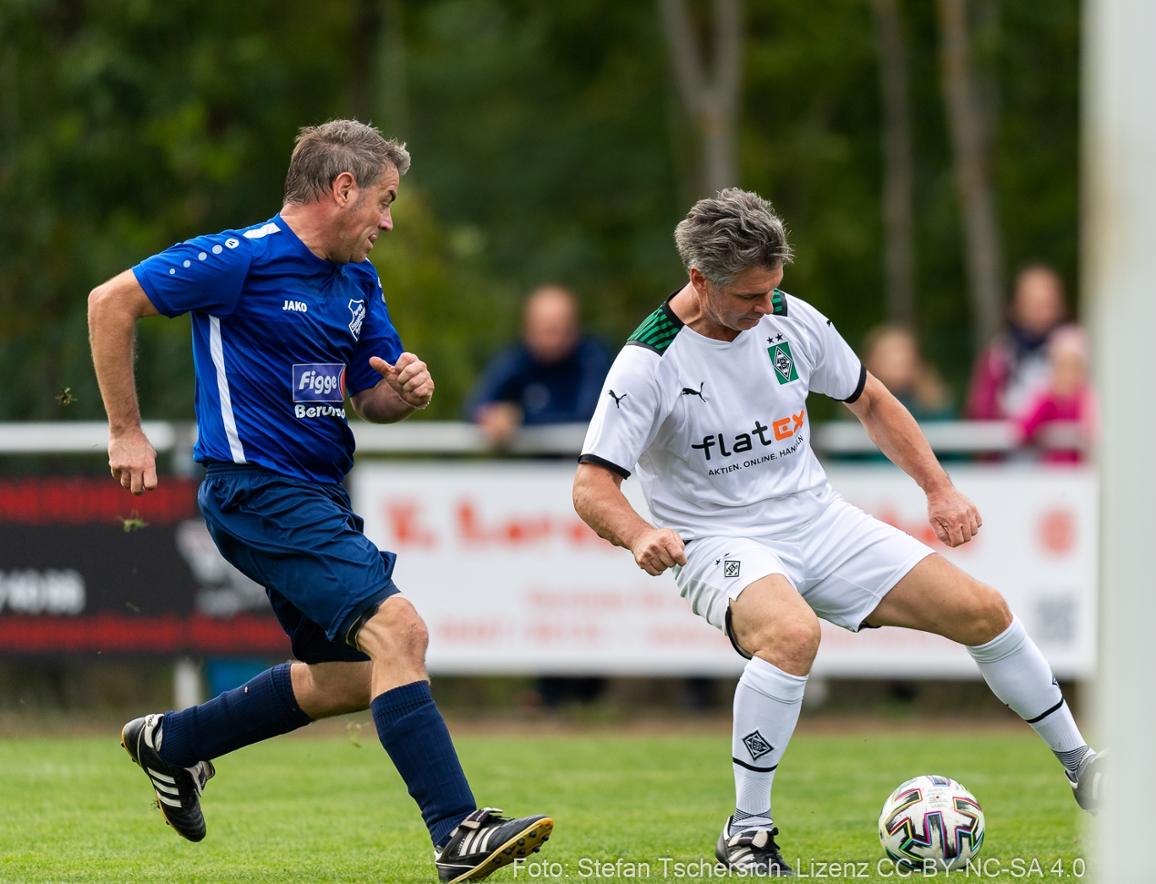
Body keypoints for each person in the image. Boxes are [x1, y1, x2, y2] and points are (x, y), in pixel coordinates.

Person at [571, 188, 1101, 875]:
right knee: (792, 635)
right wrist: (640, 533)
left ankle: (1083, 766)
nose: (766, 308)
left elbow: (871, 400)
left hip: (820, 521)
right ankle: (748, 830)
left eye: (773, 289)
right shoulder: (649, 362)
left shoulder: (792, 320)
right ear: (700, 280)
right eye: (750, 296)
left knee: (984, 609)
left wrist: (939, 489)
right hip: (717, 540)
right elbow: (591, 486)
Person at [86, 120, 552, 884]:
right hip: (255, 489)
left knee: (345, 678)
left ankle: (175, 742)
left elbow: (373, 397)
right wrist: (125, 431)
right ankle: (457, 830)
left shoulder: (358, 281)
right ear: (342, 189)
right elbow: (110, 302)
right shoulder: (240, 257)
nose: (388, 222)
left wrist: (404, 391)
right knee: (401, 632)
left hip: (318, 497)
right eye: (385, 200)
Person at [468, 285, 611, 448]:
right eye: (544, 330)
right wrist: (493, 416)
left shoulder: (592, 360)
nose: (552, 341)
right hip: (533, 463)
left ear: (575, 328)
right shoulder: (517, 359)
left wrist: (519, 418)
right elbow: (476, 405)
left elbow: (588, 416)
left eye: (557, 330)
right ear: (527, 329)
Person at [965, 263, 1068, 421]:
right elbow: (979, 413)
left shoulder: (1074, 353)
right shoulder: (998, 358)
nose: (1041, 311)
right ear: (1015, 306)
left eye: (1048, 303)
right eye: (1033, 303)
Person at [1016, 327, 1094, 465]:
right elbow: (1025, 430)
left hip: (1080, 472)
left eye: (1075, 367)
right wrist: (1049, 400)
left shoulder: (1086, 399)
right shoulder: (1047, 398)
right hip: (1051, 472)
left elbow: (1092, 433)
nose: (1068, 374)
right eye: (1062, 366)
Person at [861, 325, 955, 422]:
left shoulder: (935, 404)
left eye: (903, 352)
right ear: (872, 360)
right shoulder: (858, 402)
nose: (900, 360)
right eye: (891, 354)